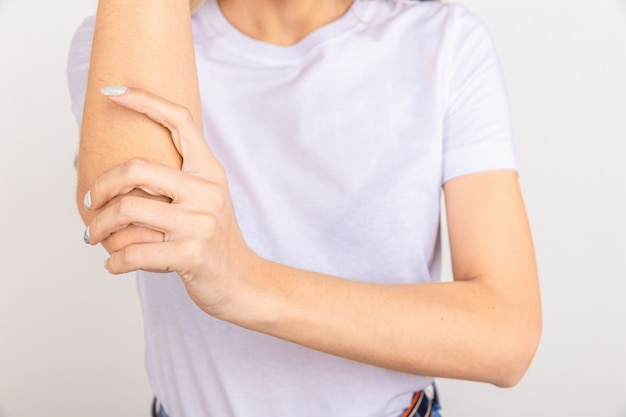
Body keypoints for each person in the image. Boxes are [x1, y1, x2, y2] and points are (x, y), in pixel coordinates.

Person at [67, 0, 542, 416]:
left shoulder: (443, 42)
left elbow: (505, 336)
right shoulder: (132, 39)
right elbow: (141, 226)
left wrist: (244, 283)